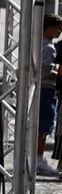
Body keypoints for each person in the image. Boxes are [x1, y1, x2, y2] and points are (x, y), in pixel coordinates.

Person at [38, 15, 62, 177]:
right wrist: (57, 73)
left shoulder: (39, 44)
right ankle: (38, 157)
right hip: (46, 89)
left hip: (42, 89)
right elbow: (45, 70)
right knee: (44, 126)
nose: (59, 31)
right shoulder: (49, 47)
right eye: (57, 28)